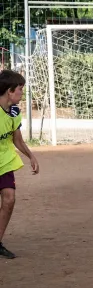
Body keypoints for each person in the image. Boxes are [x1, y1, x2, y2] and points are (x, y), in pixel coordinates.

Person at [0, 70, 39, 259]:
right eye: (20, 90)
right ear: (9, 91)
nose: (22, 94)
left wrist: (31, 156)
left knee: (9, 199)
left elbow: (17, 140)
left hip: (5, 161)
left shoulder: (14, 112)